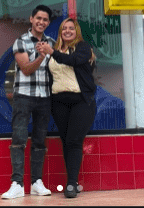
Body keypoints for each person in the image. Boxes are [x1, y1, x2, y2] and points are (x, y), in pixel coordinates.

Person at [37, 18, 97, 199]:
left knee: (73, 141)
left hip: (81, 101)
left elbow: (73, 61)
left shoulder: (83, 48)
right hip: (59, 102)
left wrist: (52, 52)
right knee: (66, 141)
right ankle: (74, 182)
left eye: (71, 28)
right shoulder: (54, 52)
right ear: (61, 32)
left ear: (76, 31)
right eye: (65, 28)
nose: (68, 31)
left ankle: (70, 184)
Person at [1, 5, 55, 200]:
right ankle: (16, 183)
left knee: (40, 141)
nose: (41, 22)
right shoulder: (21, 41)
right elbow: (25, 69)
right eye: (38, 18)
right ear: (31, 19)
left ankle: (36, 182)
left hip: (44, 96)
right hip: (24, 95)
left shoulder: (51, 43)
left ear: (48, 23)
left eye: (45, 20)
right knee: (19, 139)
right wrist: (42, 55)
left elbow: (56, 69)